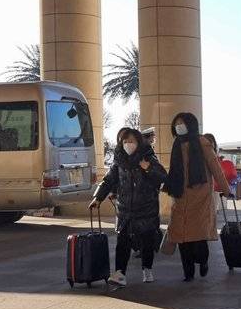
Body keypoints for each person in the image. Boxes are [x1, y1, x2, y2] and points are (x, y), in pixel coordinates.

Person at [89, 128, 167, 287]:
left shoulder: (148, 157)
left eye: (131, 141)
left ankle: (147, 269)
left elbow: (162, 177)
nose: (128, 144)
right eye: (125, 141)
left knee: (147, 242)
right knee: (122, 242)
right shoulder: (119, 160)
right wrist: (98, 198)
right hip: (124, 210)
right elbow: (108, 180)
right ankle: (120, 274)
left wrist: (148, 168)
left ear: (139, 142)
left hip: (146, 209)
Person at [164, 113, 231, 281]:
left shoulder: (202, 142)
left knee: (198, 238)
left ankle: (203, 261)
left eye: (182, 123)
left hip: (200, 197)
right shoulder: (177, 144)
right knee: (182, 238)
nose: (179, 126)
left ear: (190, 124)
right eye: (176, 123)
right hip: (180, 196)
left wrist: (225, 189)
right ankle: (188, 273)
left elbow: (215, 167)